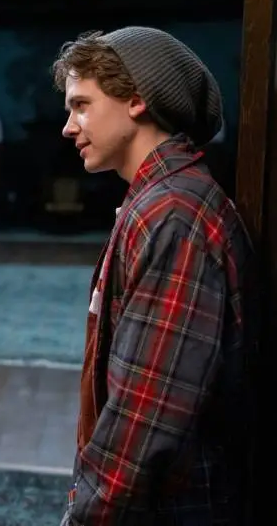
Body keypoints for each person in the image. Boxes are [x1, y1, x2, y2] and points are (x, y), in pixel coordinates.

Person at [51, 27, 257, 525]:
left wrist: (87, 516)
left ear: (137, 100)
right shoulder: (160, 201)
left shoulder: (174, 215)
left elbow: (147, 412)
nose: (68, 127)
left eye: (81, 106)